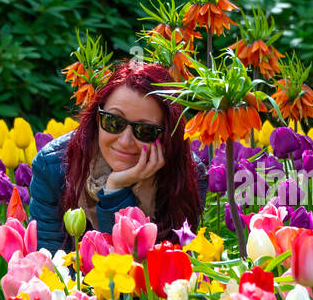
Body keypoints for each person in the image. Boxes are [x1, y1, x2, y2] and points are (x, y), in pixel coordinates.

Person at [29, 59, 206, 254]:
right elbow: (52, 264)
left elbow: (170, 264)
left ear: (166, 137)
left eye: (145, 130)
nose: (124, 141)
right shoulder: (51, 167)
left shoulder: (188, 175)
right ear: (97, 117)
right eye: (114, 121)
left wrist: (115, 191)